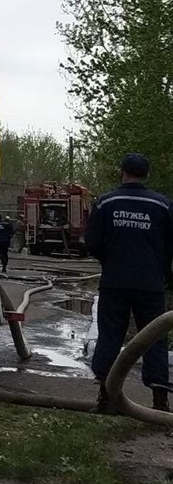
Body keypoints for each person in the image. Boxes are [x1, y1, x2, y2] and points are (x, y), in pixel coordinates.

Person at [85, 153, 173, 413]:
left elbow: (92, 243)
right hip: (150, 284)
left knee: (110, 335)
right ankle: (160, 401)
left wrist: (110, 260)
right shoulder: (163, 206)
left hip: (114, 282)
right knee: (154, 338)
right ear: (147, 174)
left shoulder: (106, 203)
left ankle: (105, 397)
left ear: (121, 171)